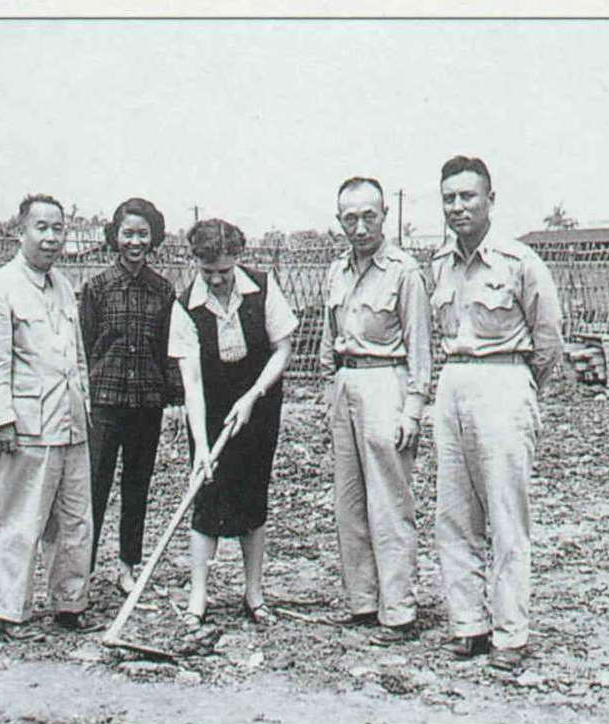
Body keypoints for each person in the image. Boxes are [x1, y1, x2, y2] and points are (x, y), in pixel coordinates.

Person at [430, 156, 563, 671]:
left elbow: (548, 339)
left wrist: (522, 389)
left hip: (504, 379)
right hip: (454, 381)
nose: (458, 207)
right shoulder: (440, 264)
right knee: (454, 513)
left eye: (468, 196)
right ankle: (469, 625)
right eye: (449, 198)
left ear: (490, 199)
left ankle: (511, 633)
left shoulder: (519, 261)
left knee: (507, 515)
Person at [0, 193, 100, 639]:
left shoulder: (63, 286)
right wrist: (0, 420)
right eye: (41, 228)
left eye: (57, 229)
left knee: (75, 520)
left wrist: (84, 407)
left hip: (71, 422)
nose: (50, 238)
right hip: (27, 425)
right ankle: (10, 612)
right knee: (20, 520)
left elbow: (76, 356)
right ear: (19, 231)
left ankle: (70, 604)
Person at [167, 218, 297, 629]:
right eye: (208, 271)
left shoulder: (263, 288)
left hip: (259, 404)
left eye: (224, 270)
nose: (217, 279)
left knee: (252, 494)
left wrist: (253, 394)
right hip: (211, 407)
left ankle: (254, 593)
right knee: (205, 495)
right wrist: (202, 447)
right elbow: (191, 383)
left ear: (237, 259)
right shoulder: (185, 306)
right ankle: (198, 596)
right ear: (196, 262)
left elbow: (283, 349)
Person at [319, 177, 432, 645]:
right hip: (346, 384)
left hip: (387, 382)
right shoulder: (336, 270)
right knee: (348, 503)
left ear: (385, 215)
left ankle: (399, 610)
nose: (360, 227)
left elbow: (420, 346)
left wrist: (413, 409)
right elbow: (327, 338)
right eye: (350, 218)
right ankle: (363, 602)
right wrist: (329, 389)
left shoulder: (404, 272)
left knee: (389, 502)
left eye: (369, 216)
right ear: (339, 221)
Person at [78, 198, 185, 593]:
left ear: (154, 237)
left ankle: (128, 566)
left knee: (137, 486)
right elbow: (86, 345)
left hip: (146, 403)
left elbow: (169, 349)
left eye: (143, 234)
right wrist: (89, 392)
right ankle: (82, 571)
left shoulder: (163, 290)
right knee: (94, 487)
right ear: (115, 236)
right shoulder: (97, 288)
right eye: (128, 234)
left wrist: (174, 398)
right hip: (105, 404)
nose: (135, 242)